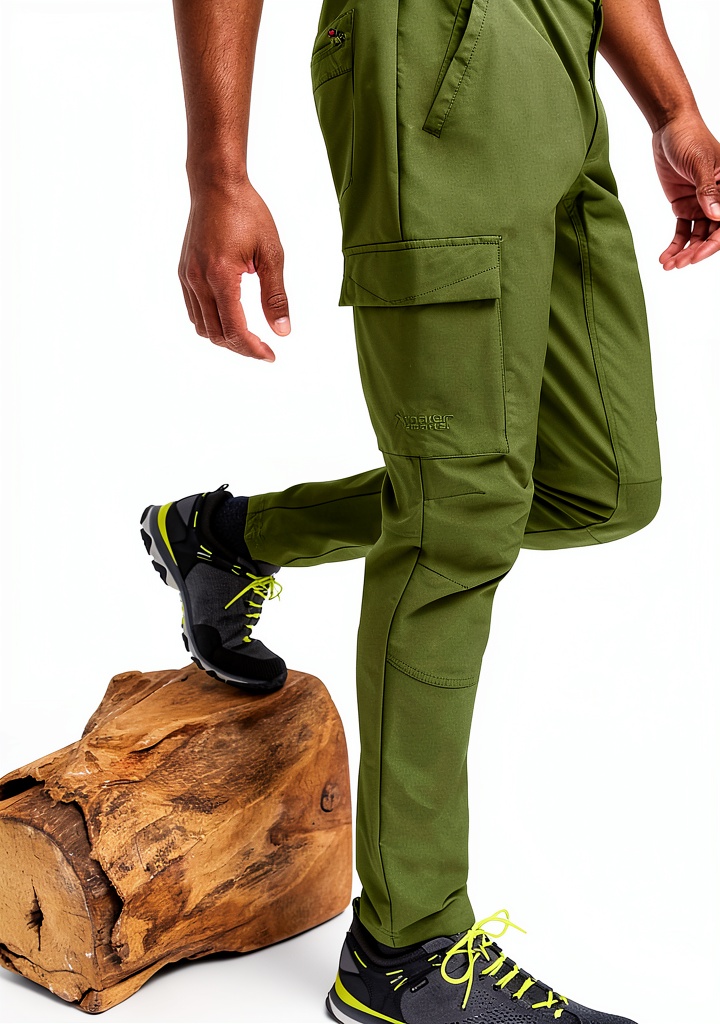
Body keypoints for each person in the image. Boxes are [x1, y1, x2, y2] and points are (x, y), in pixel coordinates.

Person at [139, 1, 719, 1021]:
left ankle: (224, 537)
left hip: (560, 55)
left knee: (601, 482)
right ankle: (404, 952)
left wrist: (672, 107)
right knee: (457, 514)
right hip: (430, 54)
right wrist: (217, 174)